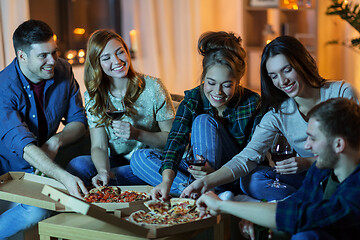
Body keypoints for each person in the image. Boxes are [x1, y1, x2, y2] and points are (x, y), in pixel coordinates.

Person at [181, 35, 359, 201]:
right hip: (307, 181)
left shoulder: (341, 92)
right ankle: (297, 203)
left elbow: (356, 148)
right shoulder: (278, 113)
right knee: (252, 179)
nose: (282, 81)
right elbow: (247, 157)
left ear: (303, 62)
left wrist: (307, 162)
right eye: (273, 76)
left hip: (344, 176)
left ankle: (301, 204)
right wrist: (205, 182)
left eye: (287, 70)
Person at [196, 98, 360, 240]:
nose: (307, 145)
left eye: (313, 138)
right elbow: (296, 201)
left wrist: (223, 205)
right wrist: (257, 215)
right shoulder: (321, 169)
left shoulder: (356, 190)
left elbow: (301, 216)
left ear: (338, 144)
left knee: (306, 236)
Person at [130, 31, 262, 198]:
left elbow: (252, 156)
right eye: (211, 83)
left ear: (238, 81)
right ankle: (196, 191)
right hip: (198, 172)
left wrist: (214, 174)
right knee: (139, 158)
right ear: (203, 78)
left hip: (233, 173)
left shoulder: (252, 102)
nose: (218, 92)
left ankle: (210, 188)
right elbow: (175, 141)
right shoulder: (193, 98)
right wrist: (166, 182)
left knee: (203, 121)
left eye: (227, 85)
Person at [0, 20, 88, 239]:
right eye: (43, 56)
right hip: (9, 169)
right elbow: (23, 146)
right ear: (22, 56)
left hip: (44, 162)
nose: (52, 61)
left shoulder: (63, 70)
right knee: (37, 210)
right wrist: (62, 176)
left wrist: (55, 142)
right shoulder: (3, 88)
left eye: (54, 52)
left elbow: (78, 121)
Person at [66, 29, 175, 188]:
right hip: (116, 160)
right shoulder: (94, 95)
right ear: (97, 63)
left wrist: (137, 134)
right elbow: (99, 146)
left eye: (120, 52)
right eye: (106, 57)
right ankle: (110, 184)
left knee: (136, 163)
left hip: (148, 159)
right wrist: (103, 171)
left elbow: (171, 140)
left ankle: (114, 186)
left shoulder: (153, 87)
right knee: (78, 165)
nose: (117, 61)